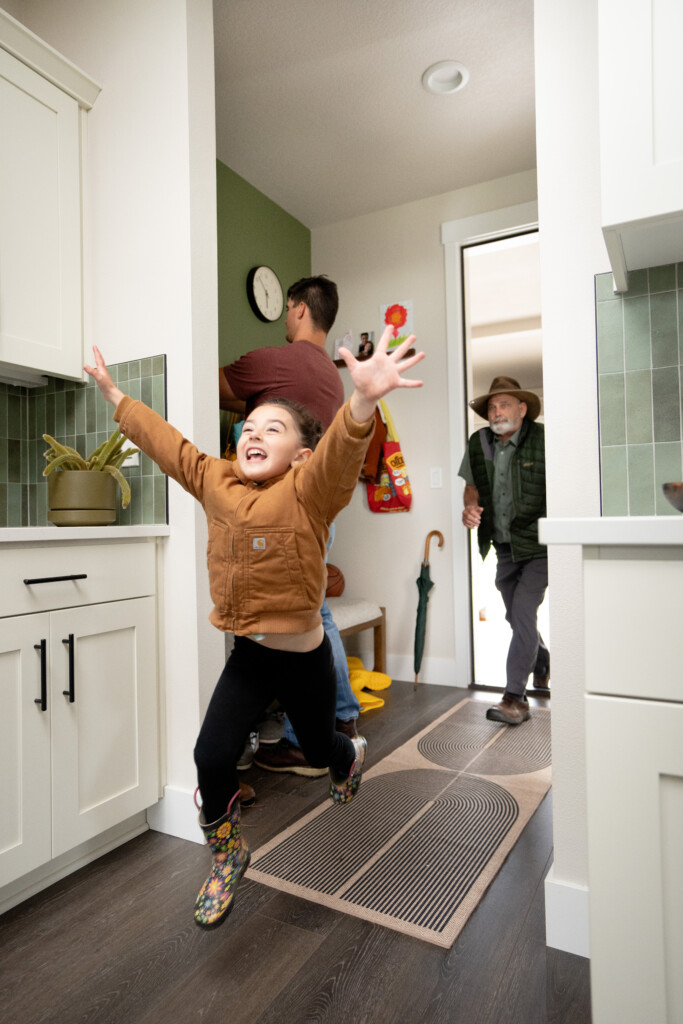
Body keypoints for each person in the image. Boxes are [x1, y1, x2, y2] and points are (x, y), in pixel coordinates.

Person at [84, 326, 425, 929]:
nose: (253, 434)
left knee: (319, 748)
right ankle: (227, 853)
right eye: (247, 427)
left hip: (305, 658)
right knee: (210, 756)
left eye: (273, 428)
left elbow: (342, 451)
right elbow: (174, 449)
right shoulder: (218, 482)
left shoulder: (309, 489)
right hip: (250, 654)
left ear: (299, 453)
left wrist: (364, 402)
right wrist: (116, 398)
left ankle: (346, 757)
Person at [219, 275, 361, 779]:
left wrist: (248, 416)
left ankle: (309, 738)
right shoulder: (331, 376)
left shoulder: (280, 360)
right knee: (316, 612)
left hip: (284, 513)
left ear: (298, 308)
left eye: (286, 310)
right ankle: (339, 719)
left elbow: (209, 382)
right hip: (318, 511)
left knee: (308, 618)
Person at [458, 375, 549, 725]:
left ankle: (515, 698)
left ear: (523, 409)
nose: (497, 412)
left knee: (524, 613)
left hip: (540, 544)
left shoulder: (544, 440)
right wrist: (470, 508)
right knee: (515, 616)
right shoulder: (479, 442)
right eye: (492, 407)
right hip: (503, 545)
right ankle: (542, 660)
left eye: (505, 404)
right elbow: (471, 487)